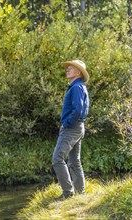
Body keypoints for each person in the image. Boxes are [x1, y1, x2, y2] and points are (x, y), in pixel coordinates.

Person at [52, 59, 90, 201]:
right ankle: (81, 193)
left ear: (79, 73)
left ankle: (68, 193)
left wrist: (67, 123)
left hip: (72, 128)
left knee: (57, 159)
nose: (67, 69)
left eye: (71, 68)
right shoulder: (78, 86)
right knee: (74, 161)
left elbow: (78, 110)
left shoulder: (76, 87)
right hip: (78, 127)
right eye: (67, 67)